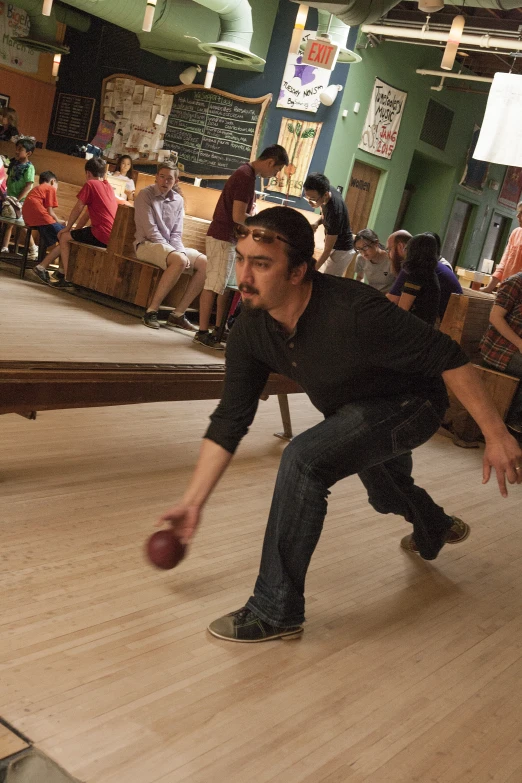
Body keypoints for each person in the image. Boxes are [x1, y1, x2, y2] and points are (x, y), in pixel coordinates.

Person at [157, 206, 522, 643]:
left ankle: (275, 611)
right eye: (241, 258)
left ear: (298, 272)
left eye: (262, 263)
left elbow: (448, 354)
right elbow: (231, 419)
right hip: (353, 410)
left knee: (304, 460)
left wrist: (496, 434)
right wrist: (193, 503)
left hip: (413, 403)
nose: (245, 275)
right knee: (384, 496)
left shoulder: (354, 310)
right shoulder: (252, 329)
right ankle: (435, 524)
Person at [194, 144, 289, 350]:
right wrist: (262, 226)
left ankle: (218, 329)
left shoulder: (248, 174)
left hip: (229, 238)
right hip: (222, 236)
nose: (274, 175)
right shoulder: (245, 176)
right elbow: (238, 216)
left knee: (224, 287)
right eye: (276, 170)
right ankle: (202, 332)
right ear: (270, 162)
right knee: (214, 285)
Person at [134, 162, 207, 330]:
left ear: (176, 181)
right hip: (146, 244)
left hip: (169, 247)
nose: (165, 181)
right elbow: (150, 230)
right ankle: (151, 312)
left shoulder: (178, 200)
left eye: (169, 178)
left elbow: (176, 233)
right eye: (161, 176)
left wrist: (179, 250)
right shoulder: (145, 195)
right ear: (156, 177)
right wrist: (176, 253)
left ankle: (178, 314)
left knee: (205, 263)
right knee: (179, 260)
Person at [35, 156, 118, 285]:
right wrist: (75, 230)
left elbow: (78, 207)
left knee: (64, 237)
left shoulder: (91, 184)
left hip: (101, 234)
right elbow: (87, 214)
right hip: (111, 236)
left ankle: (68, 278)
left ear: (88, 173)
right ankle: (51, 269)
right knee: (69, 238)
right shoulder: (108, 187)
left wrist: (67, 228)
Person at [387, 230, 462, 321]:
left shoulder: (416, 273)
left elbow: (401, 309)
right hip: (436, 323)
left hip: (422, 328)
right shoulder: (430, 271)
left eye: (407, 249)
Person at [480, 271, 522, 434]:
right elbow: (495, 317)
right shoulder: (515, 283)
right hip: (499, 347)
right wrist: (519, 342)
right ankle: (513, 421)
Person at [303, 172, 355, 277]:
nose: (309, 201)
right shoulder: (328, 189)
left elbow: (327, 251)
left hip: (342, 251)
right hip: (333, 246)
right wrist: (317, 223)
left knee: (327, 282)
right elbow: (325, 213)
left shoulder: (335, 212)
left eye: (312, 199)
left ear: (325, 195)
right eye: (307, 197)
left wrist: (310, 273)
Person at [22, 171, 64, 285]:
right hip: (41, 219)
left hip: (31, 220)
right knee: (66, 238)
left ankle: (60, 271)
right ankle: (43, 268)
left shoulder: (37, 189)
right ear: (53, 181)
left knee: (63, 239)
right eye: (57, 187)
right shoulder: (49, 188)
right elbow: (50, 212)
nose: (55, 189)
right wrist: (60, 221)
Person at [1, 137, 36, 259]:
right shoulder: (13, 163)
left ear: (28, 153)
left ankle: (33, 248)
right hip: (10, 198)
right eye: (16, 148)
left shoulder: (29, 168)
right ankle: (4, 248)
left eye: (20, 149)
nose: (16, 151)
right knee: (9, 223)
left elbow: (28, 186)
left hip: (20, 201)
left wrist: (17, 199)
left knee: (20, 224)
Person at [481, 202, 522, 293]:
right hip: (506, 289)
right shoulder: (516, 233)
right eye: (518, 212)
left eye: (521, 213)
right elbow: (503, 263)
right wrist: (489, 288)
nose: (517, 216)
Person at [354, 228, 396, 293]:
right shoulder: (360, 259)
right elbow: (360, 277)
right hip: (372, 295)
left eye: (365, 247)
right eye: (359, 249)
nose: (363, 253)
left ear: (376, 243)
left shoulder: (391, 259)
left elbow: (398, 285)